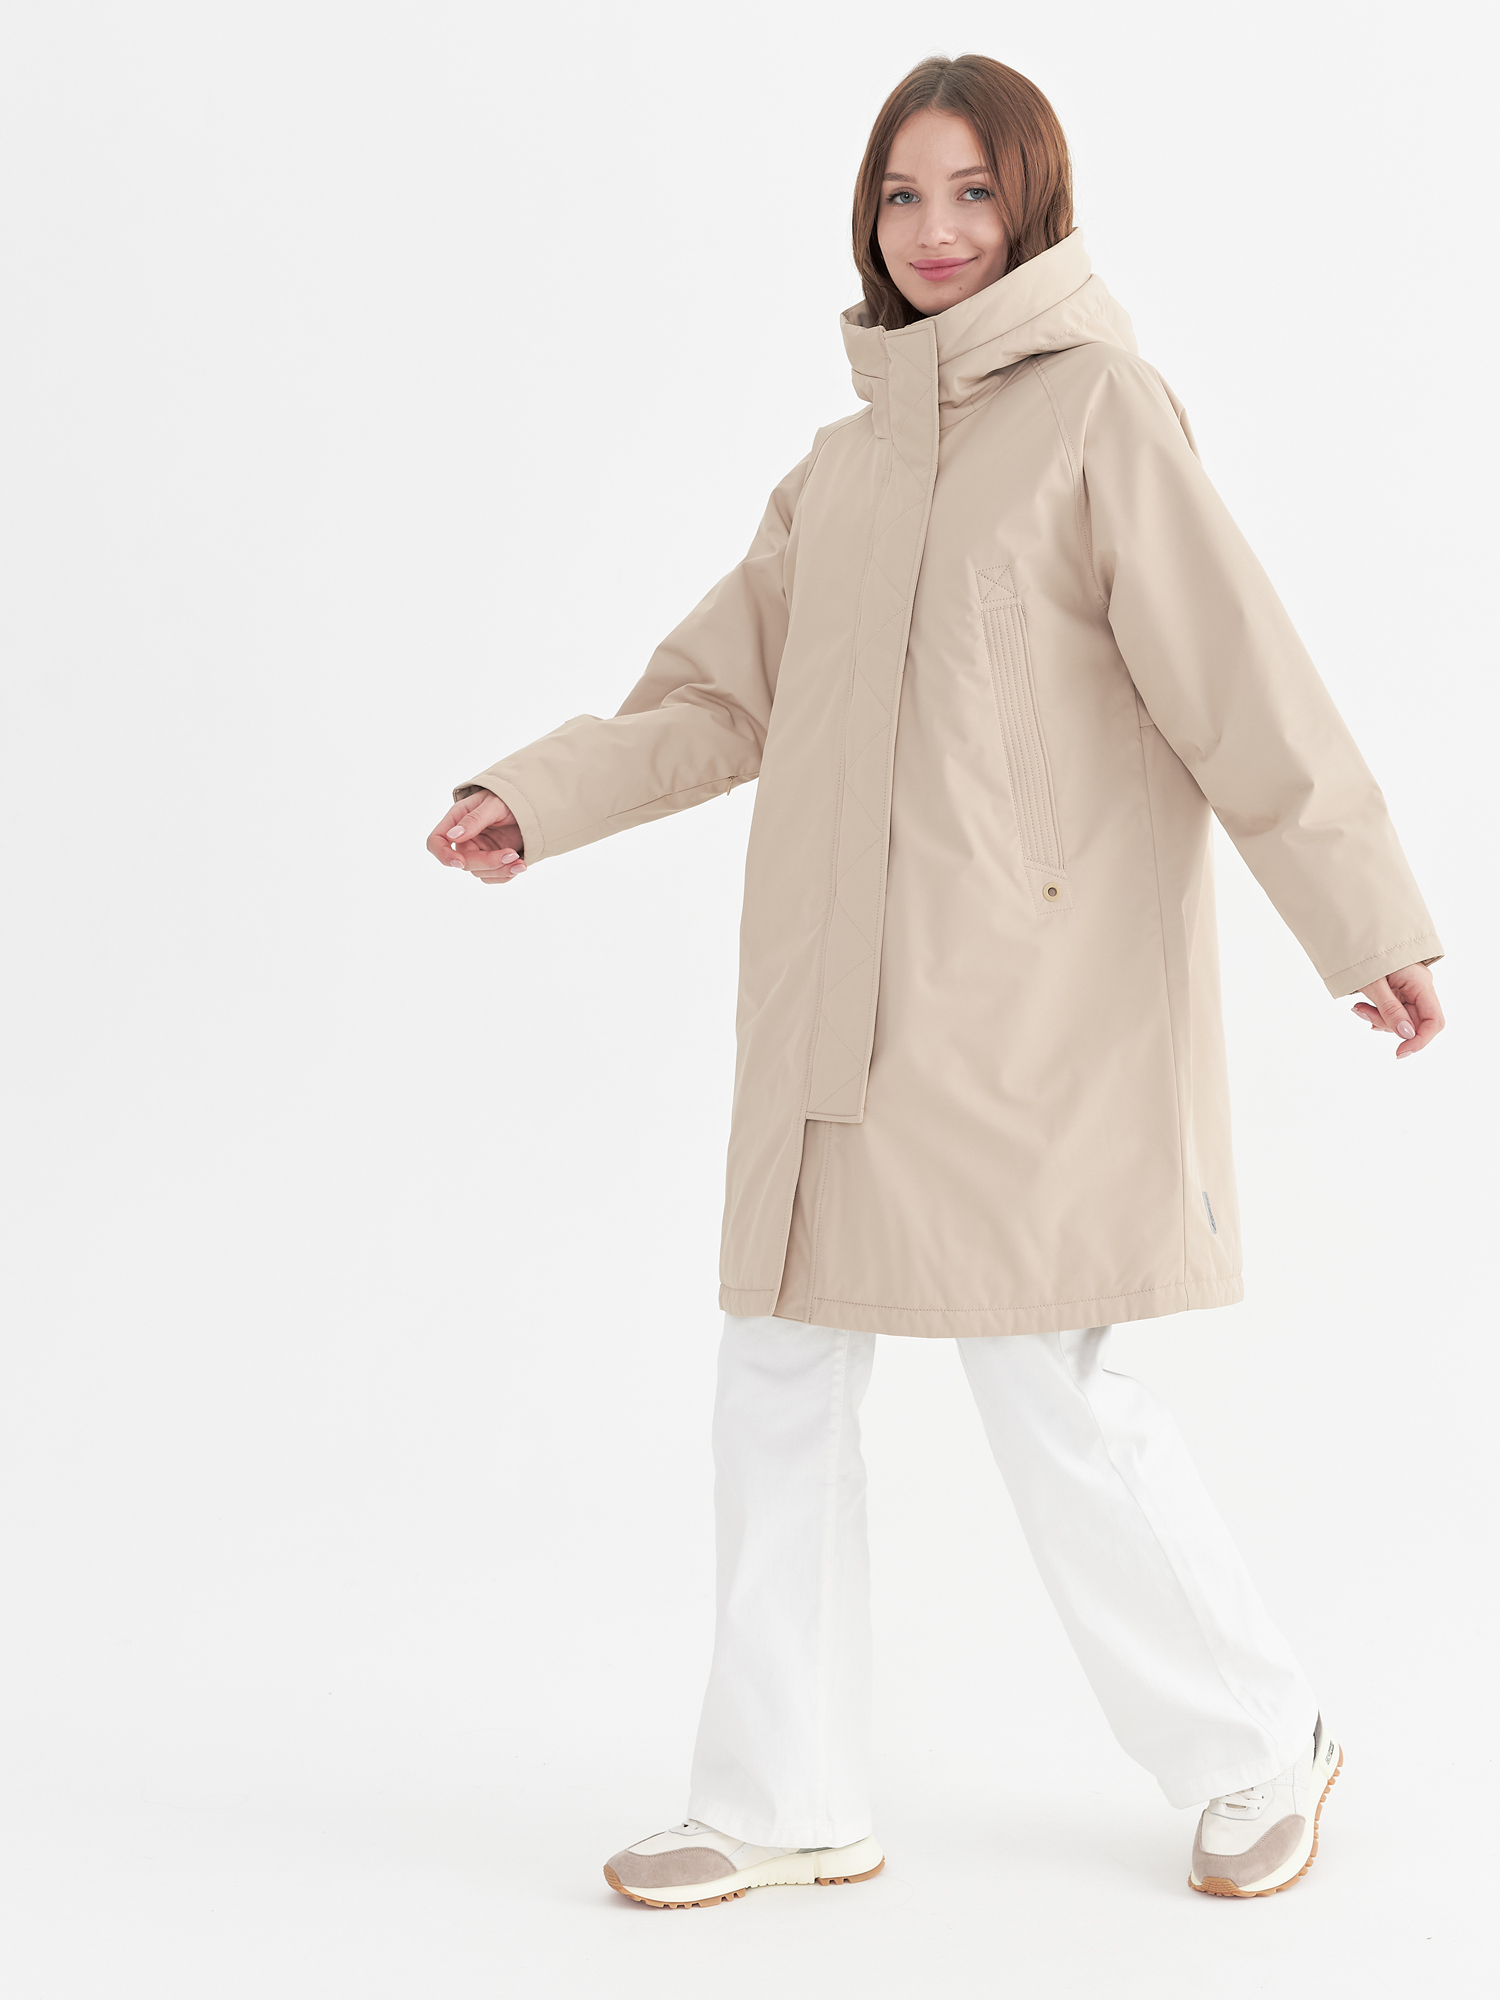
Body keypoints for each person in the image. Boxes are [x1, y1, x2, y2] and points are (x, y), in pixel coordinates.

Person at [426, 54, 1443, 1906]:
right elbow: (715, 694)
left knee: (1045, 1372)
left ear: (1034, 203)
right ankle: (780, 1796)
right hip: (827, 1004)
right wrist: (537, 796)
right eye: (902, 195)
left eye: (973, 191)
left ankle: (1258, 1739)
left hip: (1019, 1005)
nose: (936, 229)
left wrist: (1363, 920)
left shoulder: (1100, 413)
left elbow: (1239, 680)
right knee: (780, 1363)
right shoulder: (839, 471)